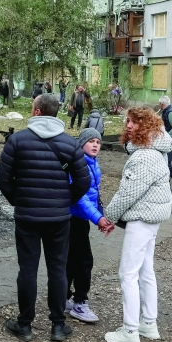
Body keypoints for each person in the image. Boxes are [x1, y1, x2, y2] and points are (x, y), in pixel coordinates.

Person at [0, 94, 91, 342]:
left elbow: (2, 178)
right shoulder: (69, 144)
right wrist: (64, 201)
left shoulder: (17, 141)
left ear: (37, 112)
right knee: (58, 269)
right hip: (59, 218)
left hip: (27, 216)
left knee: (27, 269)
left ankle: (25, 324)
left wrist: (18, 199)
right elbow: (84, 181)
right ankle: (58, 326)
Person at [102, 107, 172, 342]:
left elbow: (127, 193)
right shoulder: (156, 150)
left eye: (135, 122)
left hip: (142, 218)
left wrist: (108, 217)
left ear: (147, 127)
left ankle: (130, 331)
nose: (129, 126)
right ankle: (149, 323)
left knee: (128, 273)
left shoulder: (144, 155)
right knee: (145, 271)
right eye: (128, 121)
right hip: (151, 219)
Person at [66, 128, 115, 324]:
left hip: (81, 219)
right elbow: (81, 198)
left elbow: (94, 195)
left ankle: (63, 297)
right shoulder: (78, 165)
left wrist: (100, 216)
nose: (95, 145)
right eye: (91, 141)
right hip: (72, 218)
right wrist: (98, 219)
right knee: (83, 261)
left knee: (72, 260)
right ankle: (79, 302)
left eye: (98, 142)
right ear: (81, 143)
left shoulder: (93, 163)